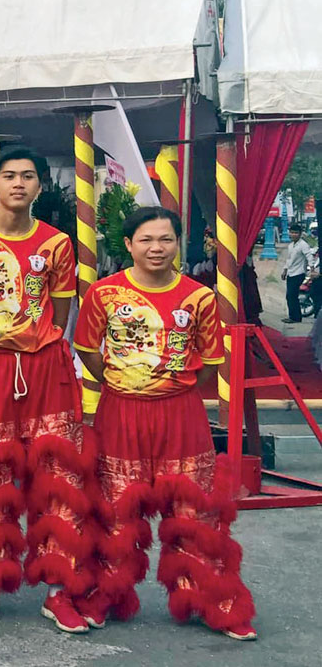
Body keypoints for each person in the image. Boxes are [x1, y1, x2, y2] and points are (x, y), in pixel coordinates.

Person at [72, 207, 257, 640]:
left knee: (197, 511)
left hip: (182, 413)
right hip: (120, 412)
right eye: (146, 240)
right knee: (116, 508)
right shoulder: (103, 294)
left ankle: (215, 601)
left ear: (178, 243)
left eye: (166, 240)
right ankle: (105, 594)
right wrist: (126, 384)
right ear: (130, 245)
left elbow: (210, 363)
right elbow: (88, 350)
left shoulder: (199, 297)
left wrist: (173, 388)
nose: (156, 249)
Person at [0, 146, 94, 633]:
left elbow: (62, 313)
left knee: (58, 479)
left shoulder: (57, 245)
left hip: (46, 368)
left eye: (29, 176)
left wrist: (32, 345)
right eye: (9, 176)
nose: (19, 184)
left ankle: (58, 590)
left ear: (40, 186)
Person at [283, 223, 317, 323]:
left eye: (296, 233)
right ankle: (292, 316)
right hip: (290, 273)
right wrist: (285, 270)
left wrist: (312, 269)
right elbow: (289, 260)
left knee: (292, 295)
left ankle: (295, 317)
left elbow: (309, 257)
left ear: (300, 234)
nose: (293, 235)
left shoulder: (303, 245)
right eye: (292, 232)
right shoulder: (291, 246)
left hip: (298, 273)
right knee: (289, 296)